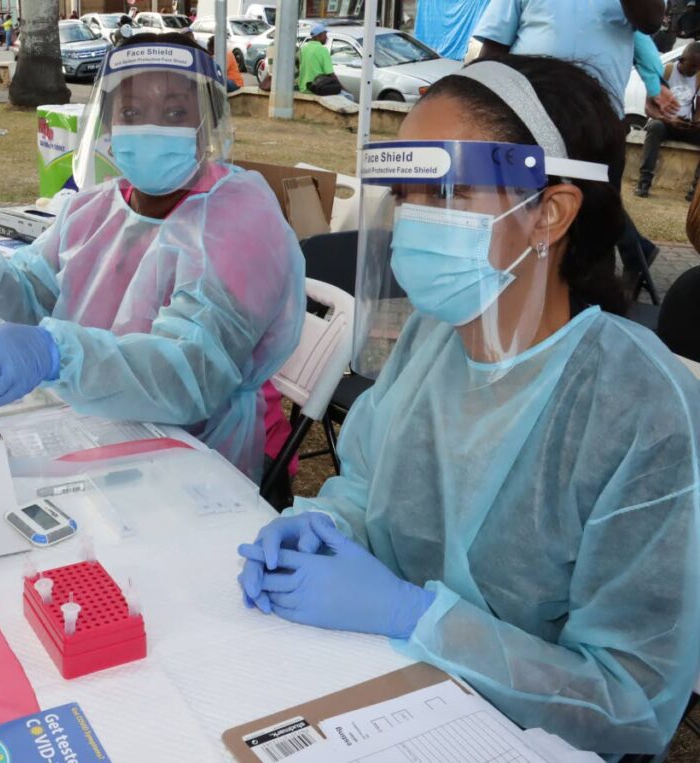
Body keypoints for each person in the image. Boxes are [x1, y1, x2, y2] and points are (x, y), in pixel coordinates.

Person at [237, 55, 700, 758]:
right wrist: (324, 523)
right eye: (405, 195)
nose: (413, 221)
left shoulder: (639, 406)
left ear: (549, 211)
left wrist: (412, 612)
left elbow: (628, 699)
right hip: (382, 690)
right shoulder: (437, 335)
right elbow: (369, 484)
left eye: (444, 192)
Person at [0, 33, 305, 483]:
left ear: (207, 122)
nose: (152, 127)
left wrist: (59, 355)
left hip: (213, 452)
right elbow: (32, 302)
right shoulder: (95, 208)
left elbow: (190, 378)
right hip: (109, 427)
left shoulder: (238, 218)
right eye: (132, 112)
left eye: (176, 112)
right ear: (109, 124)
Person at [473, 0, 668, 291]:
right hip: (531, 119)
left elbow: (651, 21)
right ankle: (519, 295)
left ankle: (593, 309)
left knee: (596, 223)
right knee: (524, 214)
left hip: (599, 127)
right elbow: (494, 48)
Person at [636, 42, 700, 198]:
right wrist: (669, 119)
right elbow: (648, 108)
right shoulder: (666, 72)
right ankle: (644, 181)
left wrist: (697, 122)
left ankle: (695, 189)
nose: (694, 71)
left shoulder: (699, 76)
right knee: (655, 127)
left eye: (697, 68)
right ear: (682, 60)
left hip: (685, 125)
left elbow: (698, 109)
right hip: (664, 123)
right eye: (692, 67)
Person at [297, 23, 337, 95]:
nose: (326, 38)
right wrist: (343, 88)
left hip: (303, 88)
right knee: (348, 96)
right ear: (319, 36)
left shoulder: (303, 48)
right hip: (316, 88)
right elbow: (330, 74)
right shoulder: (323, 50)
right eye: (325, 35)